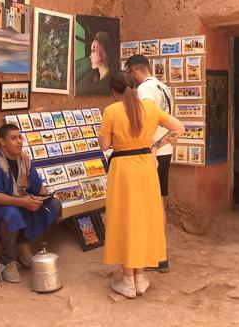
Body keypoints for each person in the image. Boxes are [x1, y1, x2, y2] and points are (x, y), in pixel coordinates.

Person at [98, 70, 185, 298]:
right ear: (134, 87)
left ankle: (128, 279)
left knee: (126, 219)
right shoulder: (149, 108)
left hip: (123, 170)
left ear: (113, 91)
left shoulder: (111, 111)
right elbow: (179, 127)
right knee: (144, 218)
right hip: (146, 166)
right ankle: (140, 277)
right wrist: (155, 146)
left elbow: (104, 145)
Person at [0, 124, 62, 284]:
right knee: (11, 213)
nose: (19, 142)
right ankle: (8, 260)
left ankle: (23, 244)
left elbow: (38, 186)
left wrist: (43, 199)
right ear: (1, 142)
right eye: (13, 138)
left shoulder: (24, 160)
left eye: (20, 137)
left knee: (54, 204)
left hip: (21, 206)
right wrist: (22, 202)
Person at [125, 54, 174, 272]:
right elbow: (171, 125)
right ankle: (160, 255)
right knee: (158, 202)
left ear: (135, 71)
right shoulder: (164, 88)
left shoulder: (144, 90)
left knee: (146, 206)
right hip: (165, 150)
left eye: (129, 74)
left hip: (151, 153)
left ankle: (152, 255)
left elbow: (144, 121)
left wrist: (150, 148)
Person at [75, 31, 117, 95]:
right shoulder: (91, 76)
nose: (90, 56)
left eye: (93, 51)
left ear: (104, 52)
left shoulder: (112, 80)